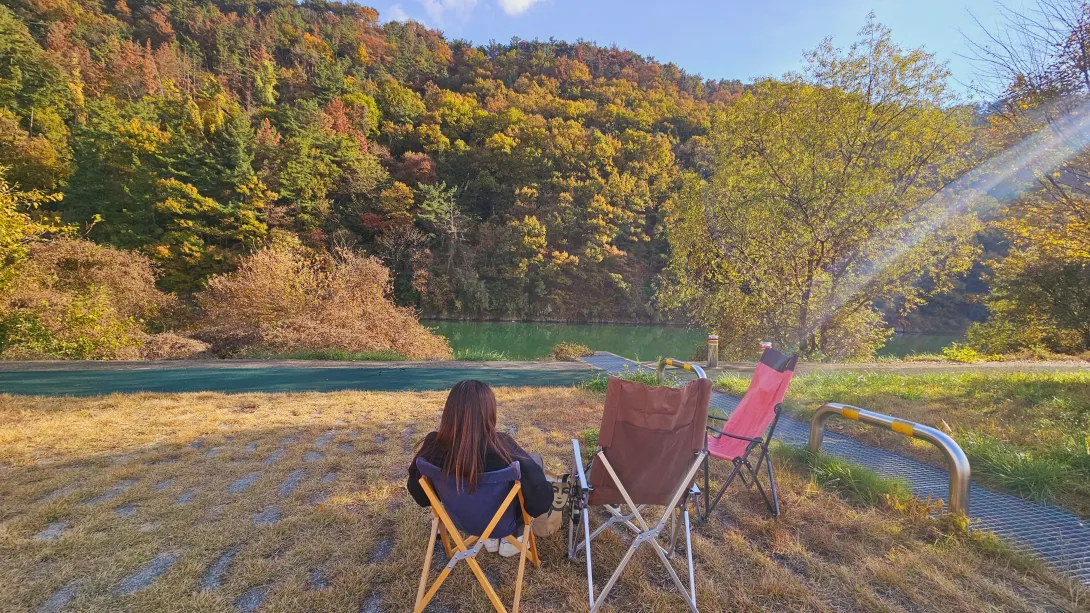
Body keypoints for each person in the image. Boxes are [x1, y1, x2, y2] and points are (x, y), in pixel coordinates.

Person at [407, 379, 552, 557]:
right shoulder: (503, 447)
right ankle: (513, 537)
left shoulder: (431, 447)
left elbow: (422, 498)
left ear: (449, 412)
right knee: (533, 463)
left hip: (458, 520)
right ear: (489, 412)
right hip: (502, 522)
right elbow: (540, 503)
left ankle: (491, 538)